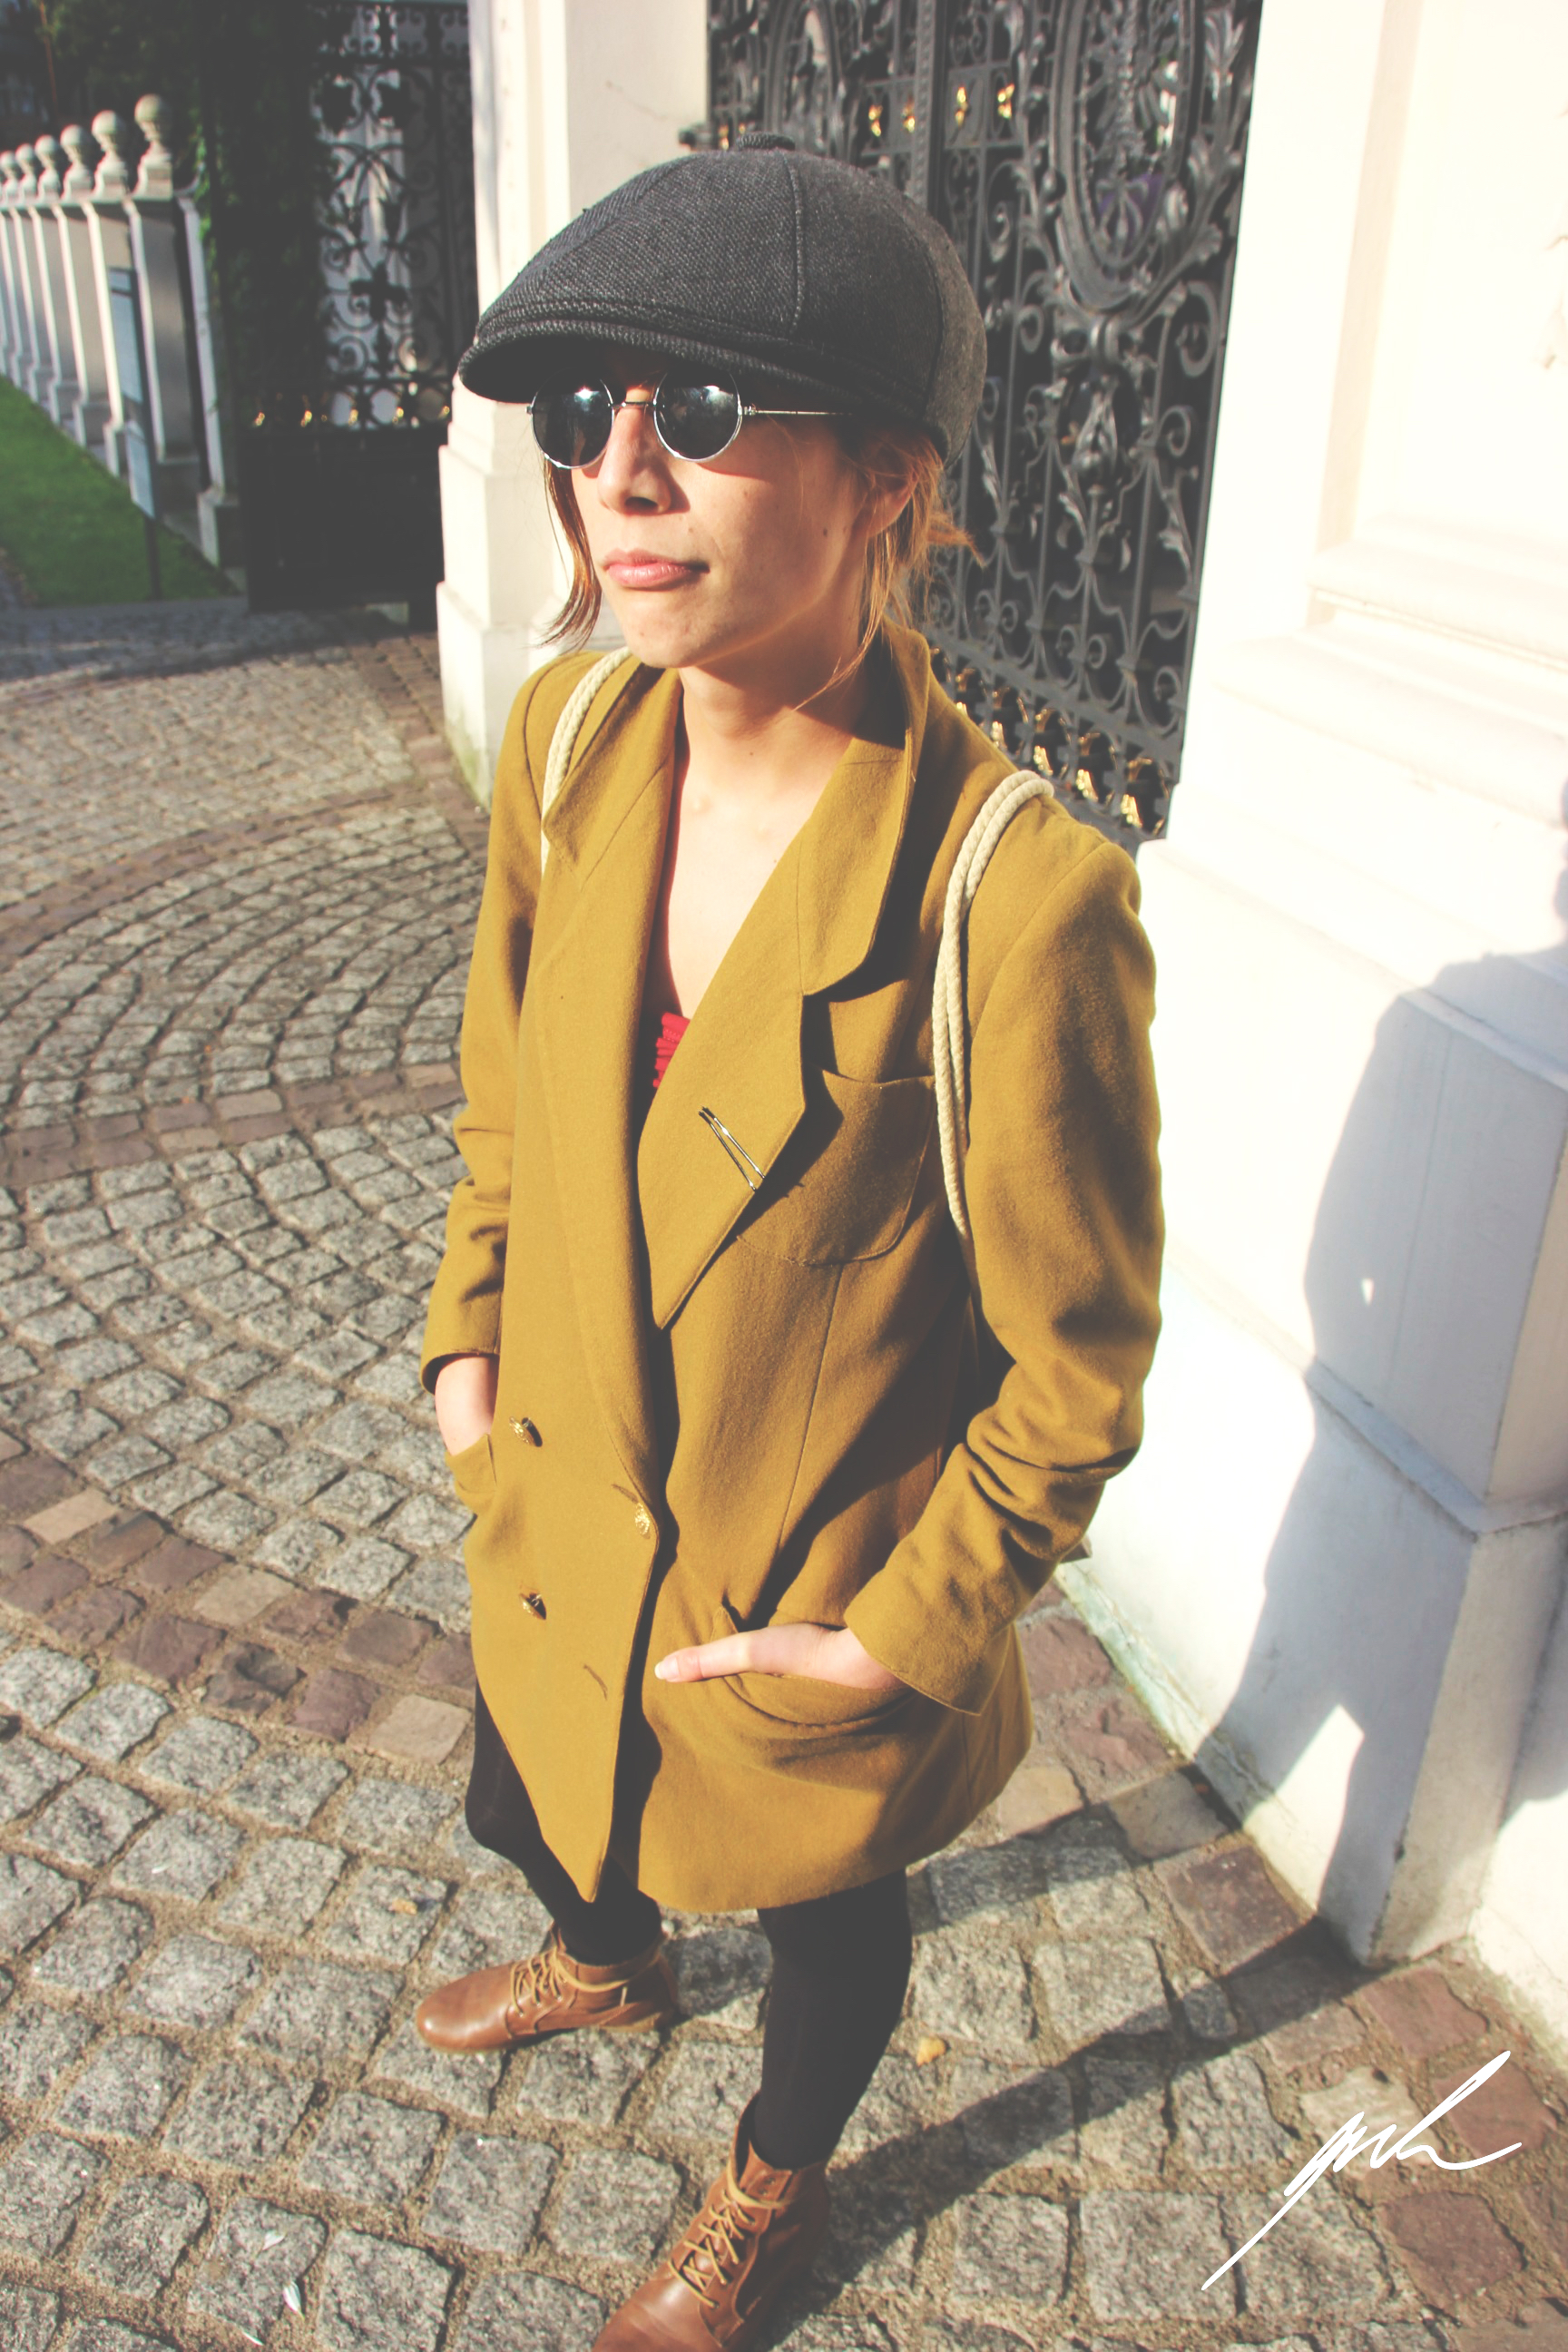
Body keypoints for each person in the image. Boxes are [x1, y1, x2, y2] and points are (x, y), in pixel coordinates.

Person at [415, 133, 1163, 2352]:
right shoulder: (569, 739)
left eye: (711, 411)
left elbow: (1079, 1369)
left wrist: (902, 1633)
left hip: (792, 1612)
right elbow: (501, 1085)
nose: (623, 472)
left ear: (891, 482)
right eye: (585, 415)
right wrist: (466, 1345)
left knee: (829, 1933)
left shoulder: (1012, 898)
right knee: (533, 1798)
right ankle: (606, 1958)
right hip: (553, 1512)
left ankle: (769, 2184)